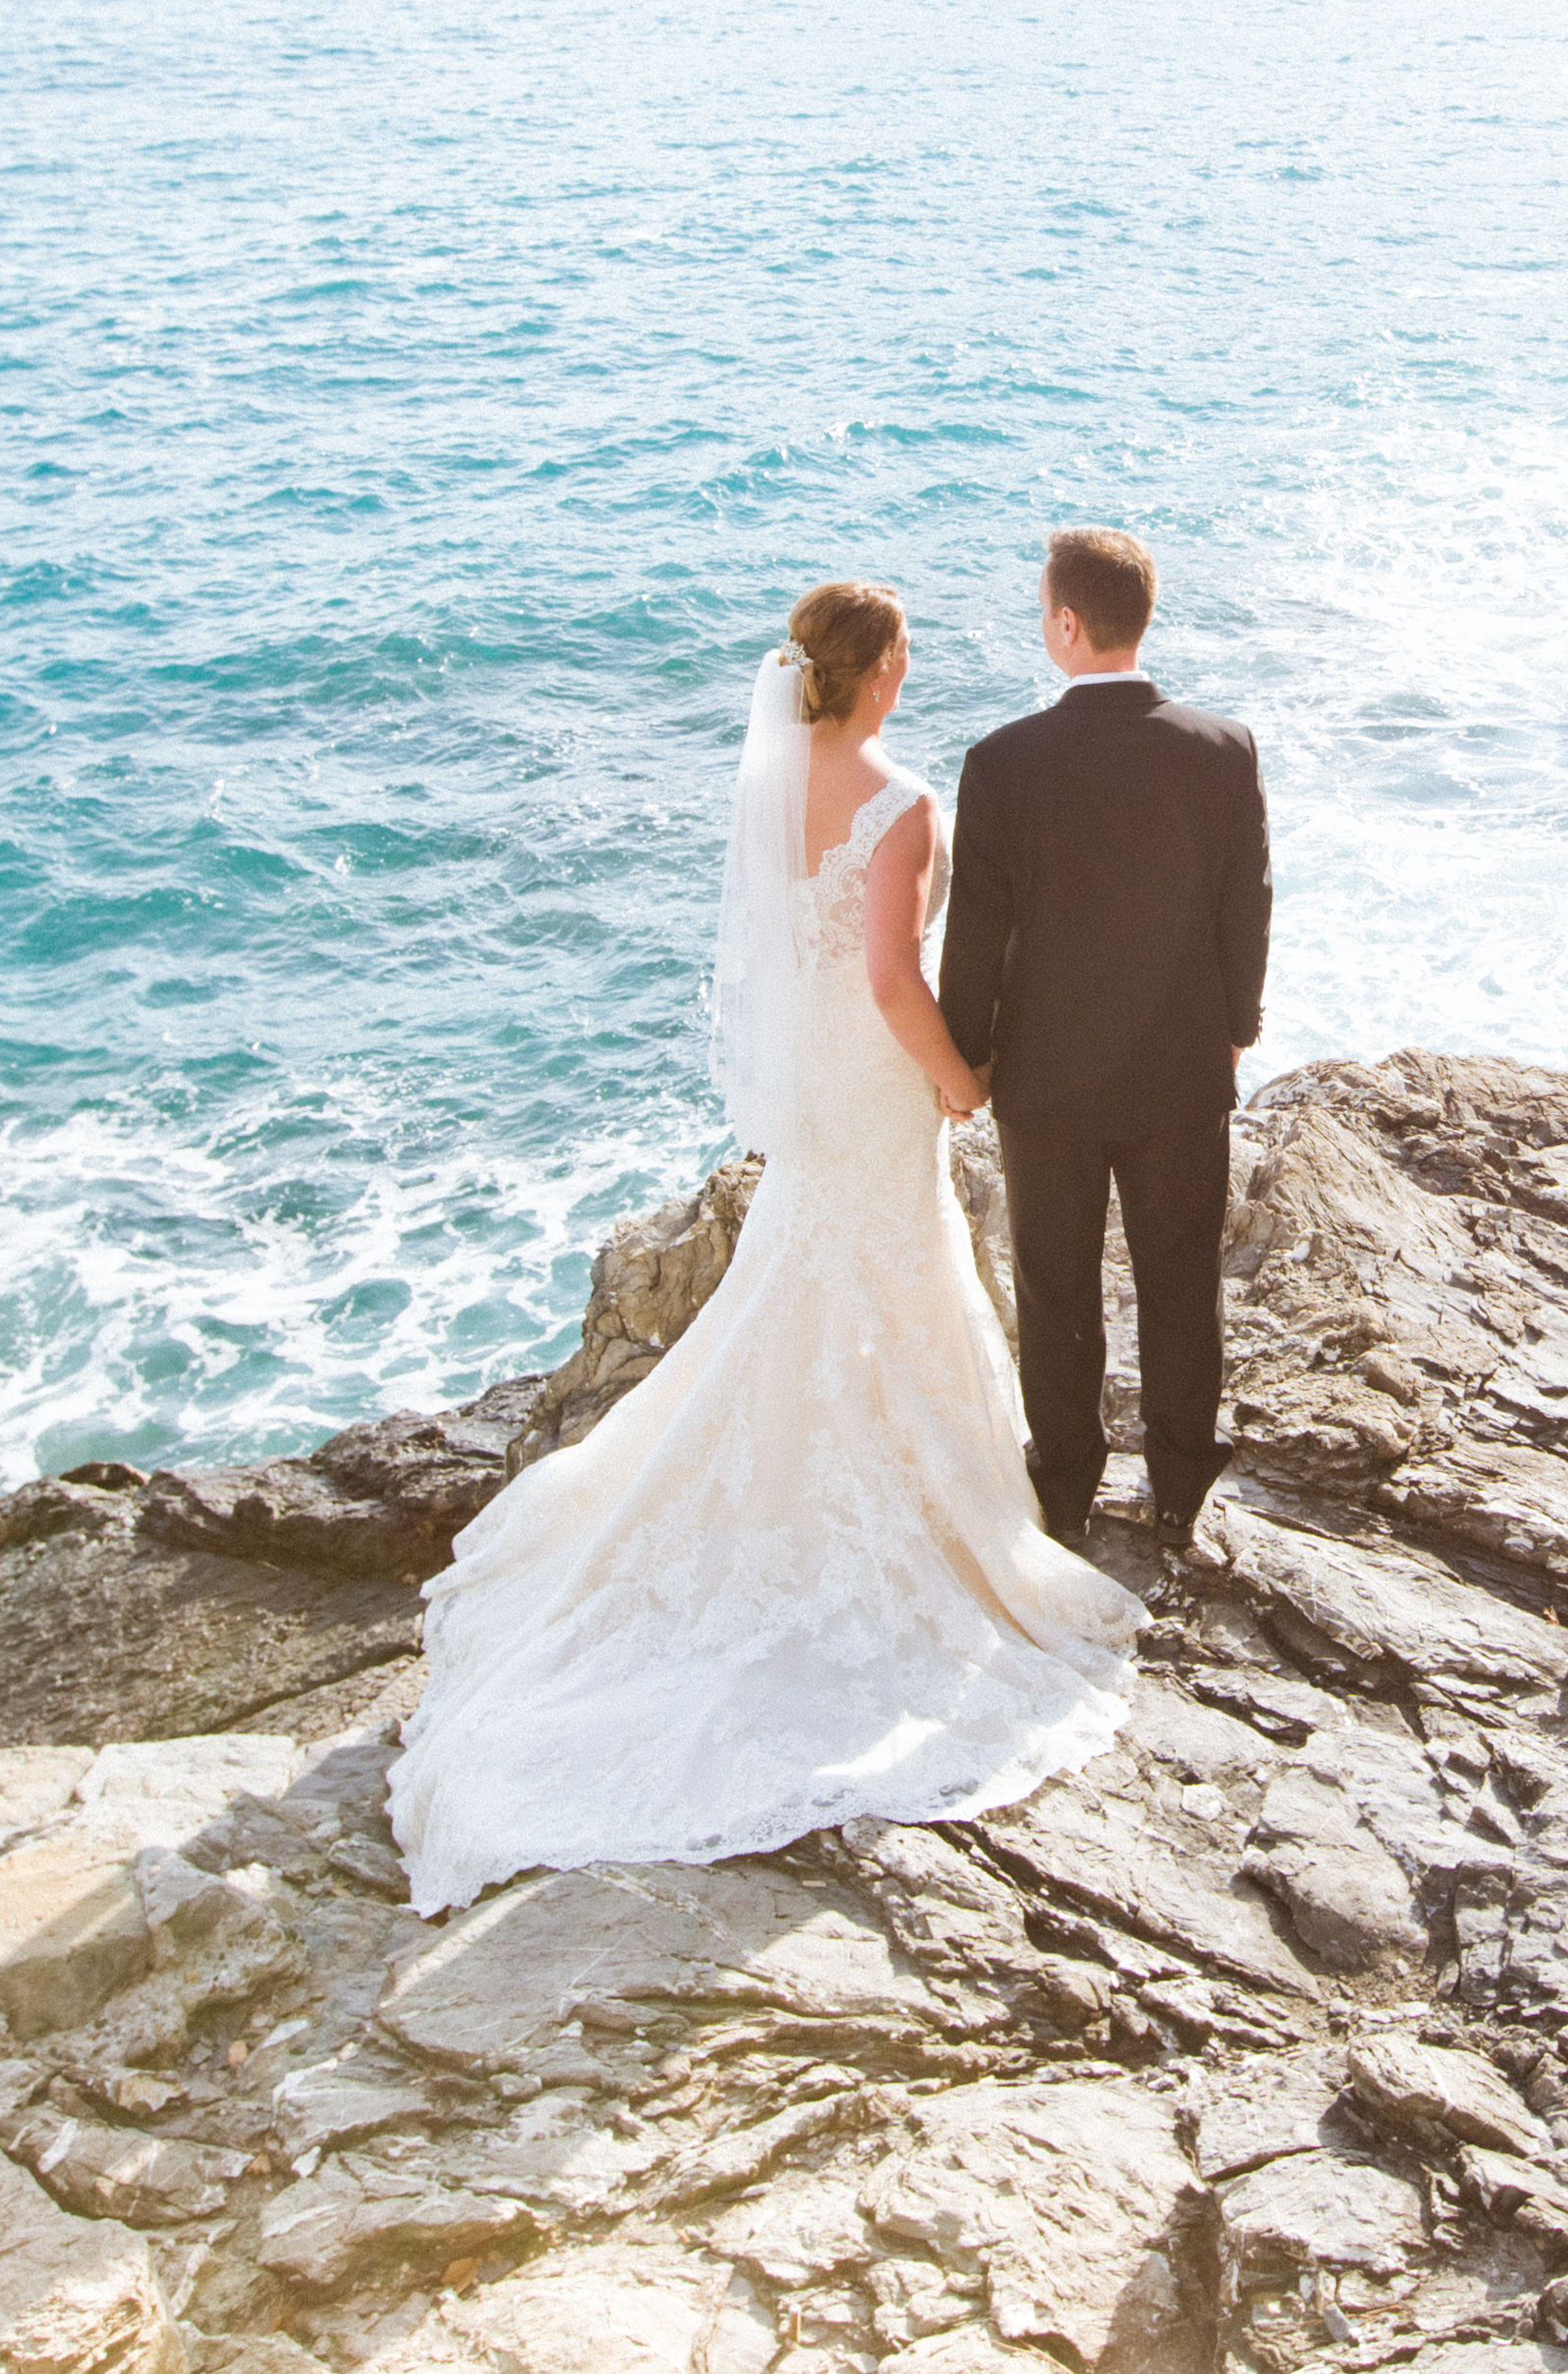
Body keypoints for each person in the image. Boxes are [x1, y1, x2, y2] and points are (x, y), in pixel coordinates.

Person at [381, 578, 1139, 1917]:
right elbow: (895, 977)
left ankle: (776, 1482)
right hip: (873, 1079)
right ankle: (896, 1508)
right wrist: (961, 1081)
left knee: (798, 1282)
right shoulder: (901, 803)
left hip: (810, 1089)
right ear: (884, 668)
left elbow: (796, 949)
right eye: (905, 649)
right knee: (888, 1277)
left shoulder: (768, 783)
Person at [938, 527, 1272, 1556]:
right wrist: (1234, 1033)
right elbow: (1246, 909)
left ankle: (1066, 1492)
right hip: (1179, 1068)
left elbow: (977, 935)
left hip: (1046, 1079)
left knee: (1055, 1287)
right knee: (1181, 1284)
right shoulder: (1223, 748)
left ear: (1066, 625)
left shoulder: (1001, 762)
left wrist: (968, 1055)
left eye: (1045, 607)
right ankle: (1178, 1492)